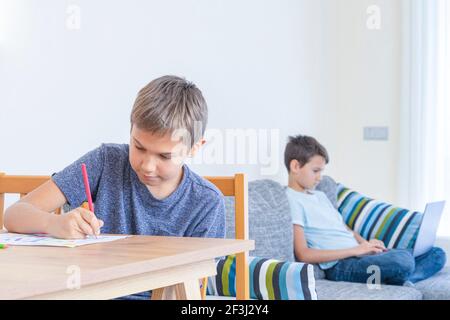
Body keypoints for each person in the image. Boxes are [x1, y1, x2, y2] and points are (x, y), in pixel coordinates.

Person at [4, 75, 226, 298]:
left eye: (165, 156)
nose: (147, 166)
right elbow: (14, 214)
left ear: (194, 148)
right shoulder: (105, 161)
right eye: (138, 147)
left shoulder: (207, 202)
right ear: (131, 130)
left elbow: (191, 289)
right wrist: (54, 223)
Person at [284, 134, 446, 285]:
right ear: (296, 166)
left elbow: (343, 228)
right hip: (341, 265)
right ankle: (401, 274)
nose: (320, 177)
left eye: (322, 171)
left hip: (360, 255)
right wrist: (356, 250)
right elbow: (303, 254)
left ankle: (405, 280)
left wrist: (366, 244)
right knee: (403, 260)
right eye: (315, 171)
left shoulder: (320, 196)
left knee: (437, 254)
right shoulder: (292, 200)